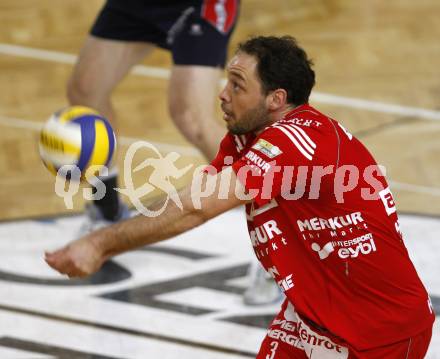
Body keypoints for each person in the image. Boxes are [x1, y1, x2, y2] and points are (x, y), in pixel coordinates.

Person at [46, 36, 435, 358]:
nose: (222, 95)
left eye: (237, 84)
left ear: (275, 99)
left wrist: (100, 243)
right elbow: (192, 199)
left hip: (379, 333)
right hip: (311, 317)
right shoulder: (246, 139)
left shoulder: (297, 140)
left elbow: (195, 210)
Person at [67, 0, 240, 227]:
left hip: (198, 6)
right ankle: (107, 210)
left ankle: (278, 224)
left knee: (192, 118)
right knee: (86, 91)